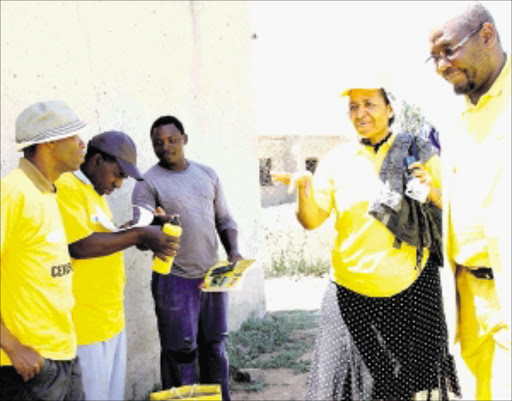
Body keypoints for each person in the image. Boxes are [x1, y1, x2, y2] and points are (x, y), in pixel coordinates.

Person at [273, 85, 460, 400]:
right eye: (353, 106)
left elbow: (455, 207)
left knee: (405, 387)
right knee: (339, 387)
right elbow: (312, 219)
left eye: (370, 104)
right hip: (349, 291)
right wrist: (305, 189)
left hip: (410, 290)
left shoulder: (419, 153)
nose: (360, 113)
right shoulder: (337, 159)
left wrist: (432, 192)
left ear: (389, 109)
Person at [55, 131, 180, 401]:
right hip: (85, 326)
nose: (120, 184)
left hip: (110, 320)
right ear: (98, 160)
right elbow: (79, 245)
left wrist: (142, 229)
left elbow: (106, 239)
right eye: (119, 174)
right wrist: (139, 235)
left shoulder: (95, 194)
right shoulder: (67, 187)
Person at [428, 2, 511, 399]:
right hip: (467, 301)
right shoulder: (453, 115)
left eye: (448, 50)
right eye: (434, 57)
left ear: (487, 35)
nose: (441, 65)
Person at [132, 115, 242, 401]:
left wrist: (233, 250)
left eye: (172, 140)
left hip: (213, 276)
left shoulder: (208, 175)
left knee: (215, 348)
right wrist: (156, 225)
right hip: (174, 279)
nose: (165, 147)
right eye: (158, 143)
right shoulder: (147, 183)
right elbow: (140, 234)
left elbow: (225, 219)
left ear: (185, 139)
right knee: (180, 353)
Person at [0, 101, 88, 400]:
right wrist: (12, 347)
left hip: (63, 355)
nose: (82, 144)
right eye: (74, 136)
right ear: (49, 142)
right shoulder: (13, 193)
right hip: (28, 366)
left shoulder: (47, 192)